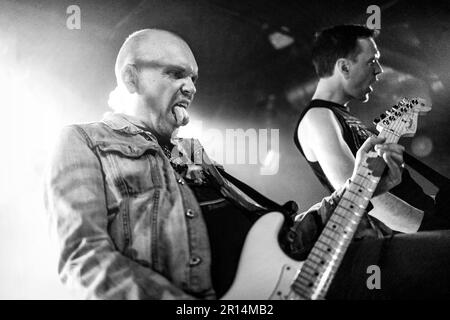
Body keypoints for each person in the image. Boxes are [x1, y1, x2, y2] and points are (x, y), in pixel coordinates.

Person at [44, 29, 446, 300]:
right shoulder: (84, 141)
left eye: (195, 78)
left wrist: (361, 185)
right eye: (175, 74)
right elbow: (84, 257)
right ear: (130, 78)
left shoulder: (194, 154)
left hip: (306, 277)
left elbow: (285, 239)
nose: (191, 87)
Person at [294, 24, 450, 234]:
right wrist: (430, 229)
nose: (379, 70)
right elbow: (360, 198)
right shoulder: (318, 117)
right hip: (413, 237)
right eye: (372, 61)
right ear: (345, 67)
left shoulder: (340, 115)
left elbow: (395, 190)